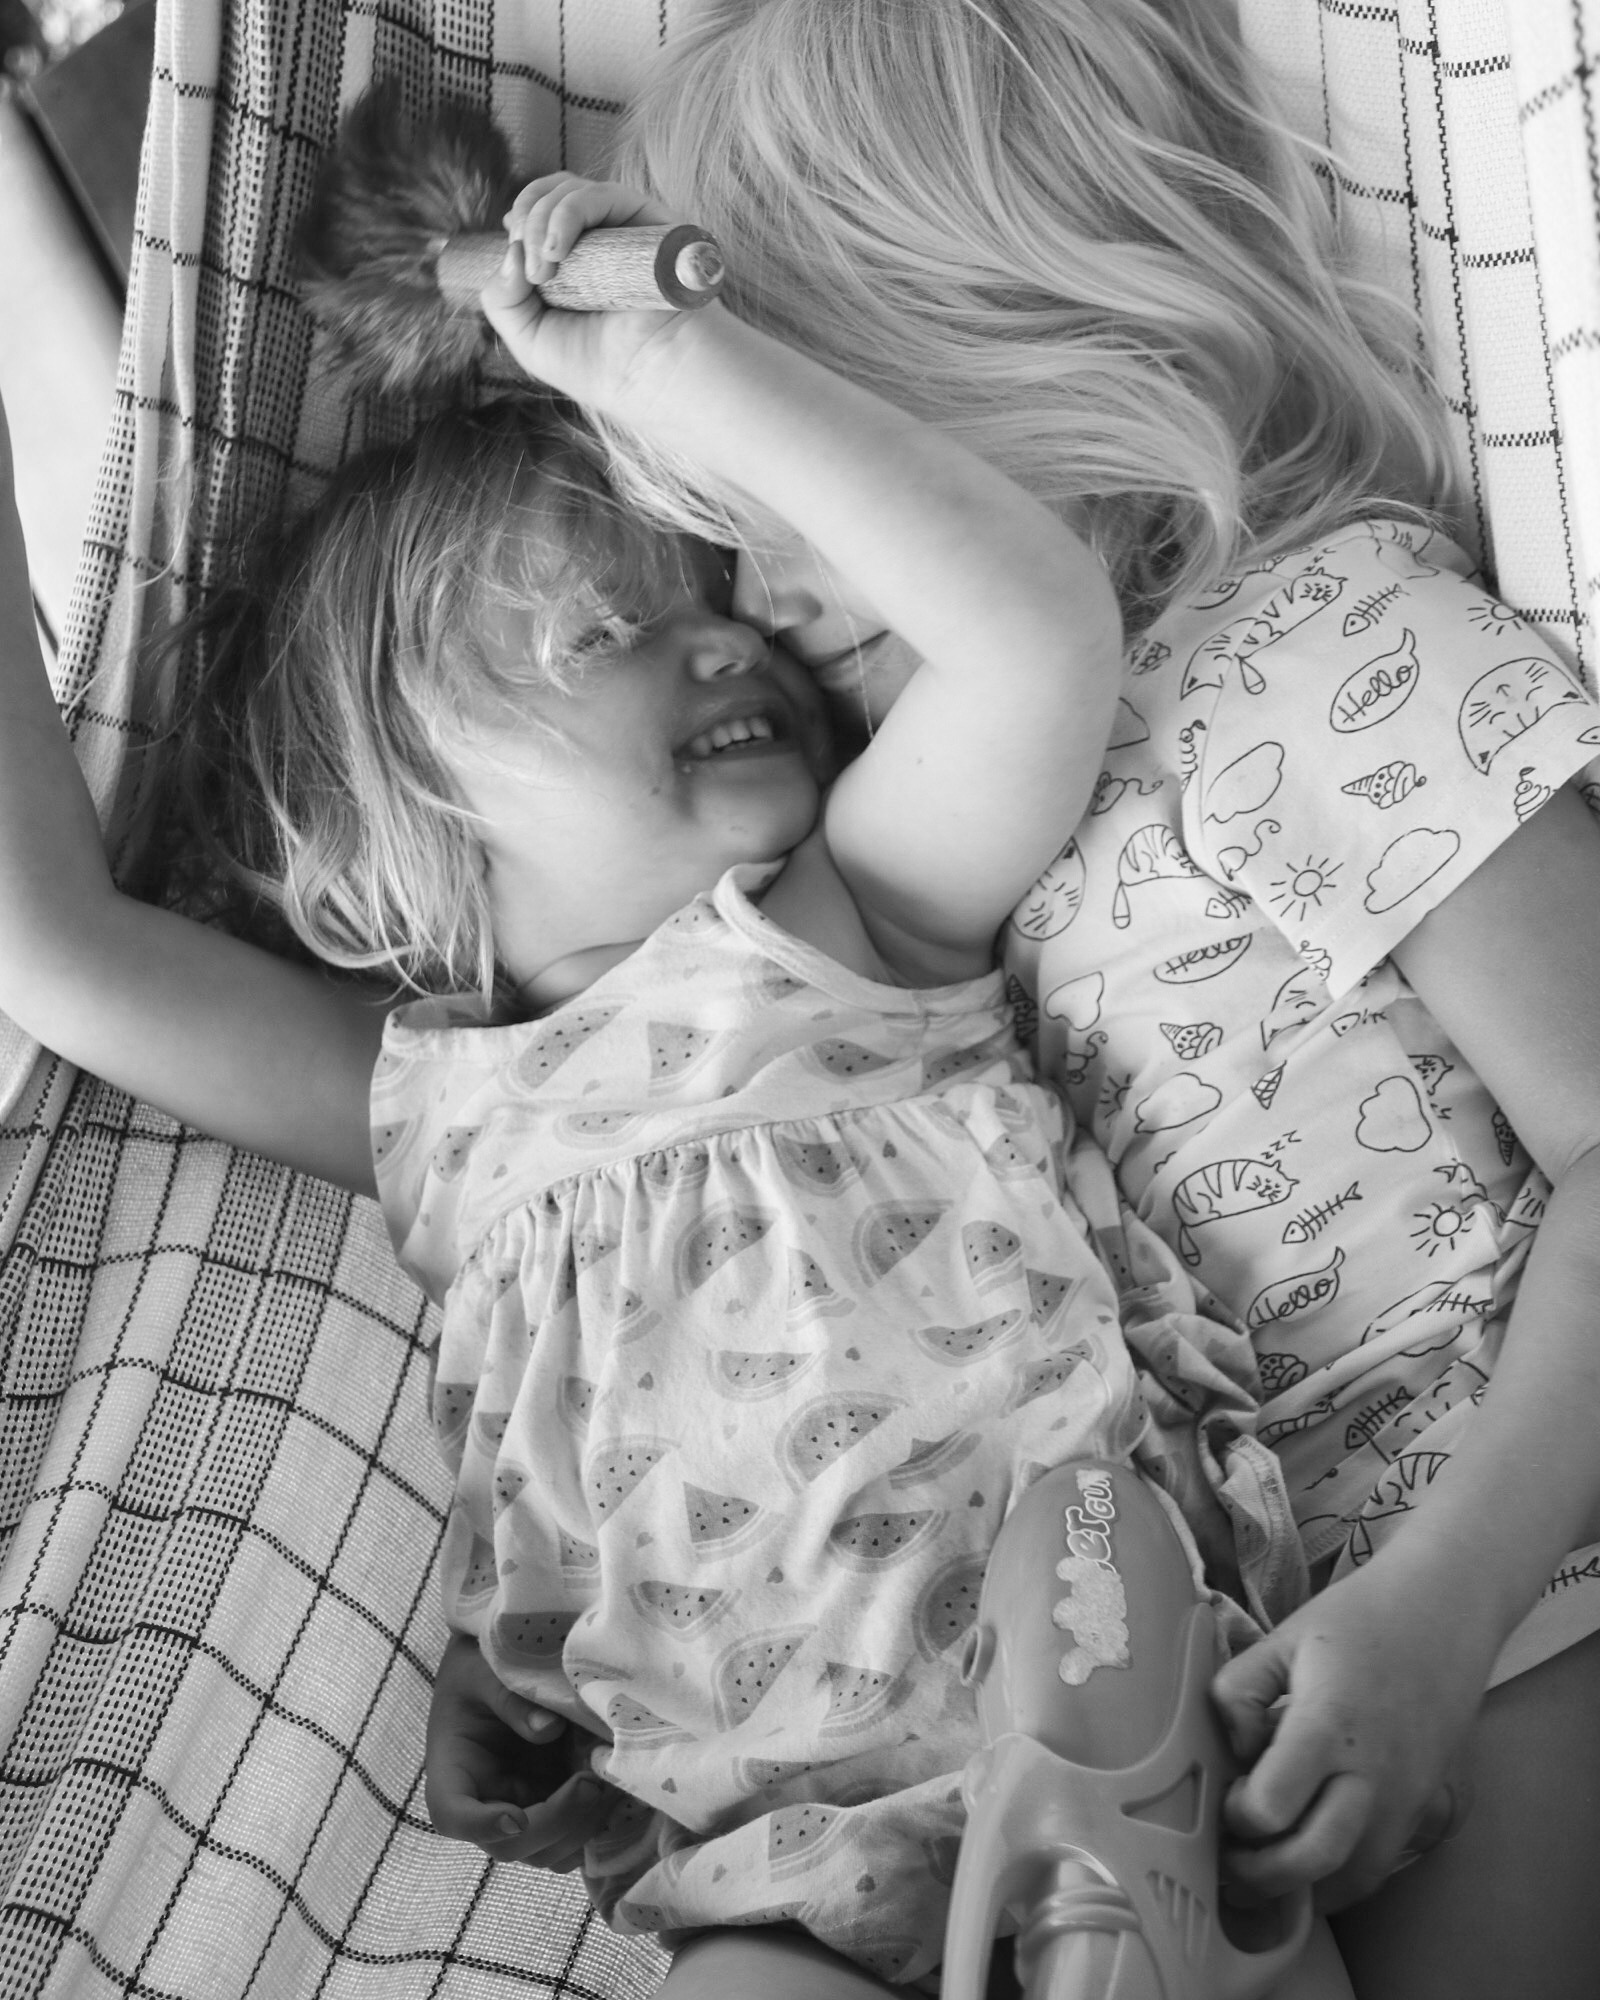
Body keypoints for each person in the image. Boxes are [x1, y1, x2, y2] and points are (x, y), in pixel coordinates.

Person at [0, 174, 1303, 1990]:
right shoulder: (427, 1111)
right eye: (603, 635)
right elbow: (54, 950)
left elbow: (1036, 636)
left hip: (1089, 1680)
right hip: (776, 1863)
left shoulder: (845, 924)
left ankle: (1117, 1900)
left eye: (722, 600)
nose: (727, 642)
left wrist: (683, 369)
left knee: (1104, 1657)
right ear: (393, 826)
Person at [608, 3, 1600, 1998]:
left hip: (1500, 1584)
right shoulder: (932, 815)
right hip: (1132, 1660)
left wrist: (1442, 1604)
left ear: (994, 351)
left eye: (783, 478)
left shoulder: (1322, 647)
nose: (746, 583)